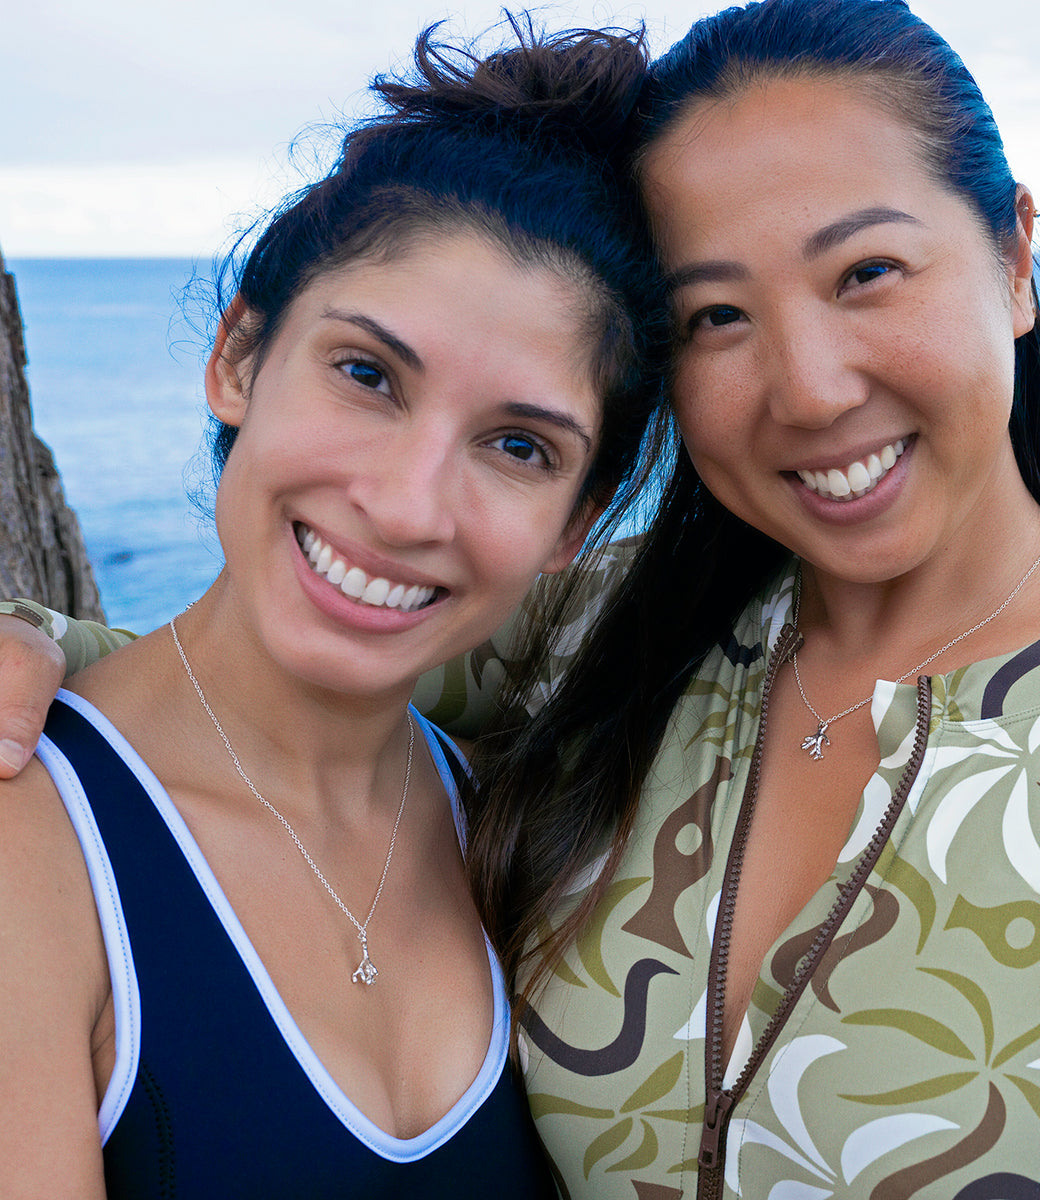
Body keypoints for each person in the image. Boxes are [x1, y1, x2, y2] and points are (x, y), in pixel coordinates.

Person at [1, 1, 1040, 1196]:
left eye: (868, 272)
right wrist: (26, 646)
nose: (812, 388)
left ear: (1015, 254)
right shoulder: (603, 642)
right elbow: (275, 676)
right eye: (716, 316)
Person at [0, 19, 670, 1198]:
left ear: (579, 522)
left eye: (517, 445)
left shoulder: (510, 836)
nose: (409, 506)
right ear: (241, 357)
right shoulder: (29, 841)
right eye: (368, 374)